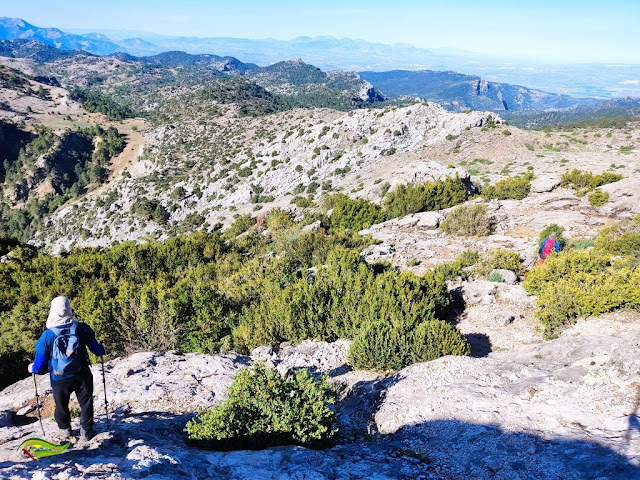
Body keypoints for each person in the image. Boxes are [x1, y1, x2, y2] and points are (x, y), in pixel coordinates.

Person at [28, 296, 105, 441]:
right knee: (86, 401)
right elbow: (97, 350)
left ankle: (65, 431)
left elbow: (38, 366)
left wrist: (32, 368)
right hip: (82, 374)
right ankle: (86, 431)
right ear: (69, 308)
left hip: (59, 378)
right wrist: (102, 350)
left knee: (61, 404)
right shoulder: (81, 328)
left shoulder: (48, 335)